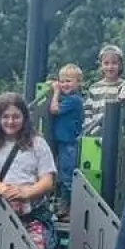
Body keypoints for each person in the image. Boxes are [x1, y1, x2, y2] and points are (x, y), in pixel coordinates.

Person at [0, 92, 56, 249]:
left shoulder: (38, 144)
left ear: (24, 118)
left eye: (16, 117)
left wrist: (25, 193)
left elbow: (47, 180)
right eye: (6, 117)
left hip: (32, 216)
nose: (10, 121)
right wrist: (5, 190)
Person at [47, 63, 85, 214]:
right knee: (59, 174)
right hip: (61, 143)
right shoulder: (67, 98)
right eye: (61, 81)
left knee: (67, 176)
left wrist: (55, 91)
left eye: (68, 81)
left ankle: (68, 208)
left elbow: (54, 109)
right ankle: (61, 204)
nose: (64, 85)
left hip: (69, 143)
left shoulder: (74, 100)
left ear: (78, 83)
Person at [83, 44, 125, 136]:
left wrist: (123, 95)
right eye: (106, 63)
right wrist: (90, 127)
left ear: (120, 65)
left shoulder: (123, 84)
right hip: (95, 132)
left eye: (114, 63)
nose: (110, 67)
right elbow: (87, 111)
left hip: (115, 132)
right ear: (101, 65)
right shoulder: (94, 88)